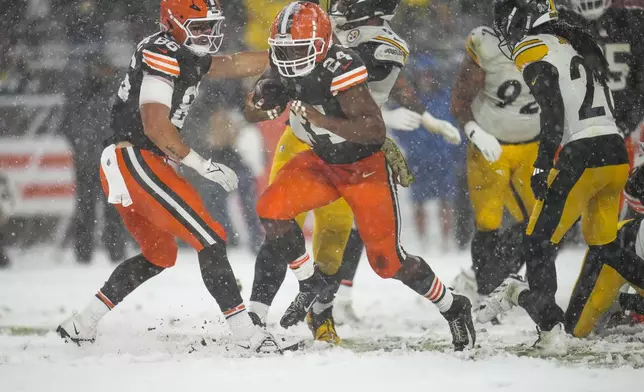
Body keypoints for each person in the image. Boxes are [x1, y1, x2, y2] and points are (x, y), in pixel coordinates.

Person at [56, 0, 284, 354]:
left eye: (212, 25)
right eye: (201, 26)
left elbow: (233, 64)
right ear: (173, 23)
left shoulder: (180, 51)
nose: (209, 34)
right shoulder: (161, 52)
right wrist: (202, 165)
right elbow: (155, 125)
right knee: (211, 237)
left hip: (135, 160)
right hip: (136, 157)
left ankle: (81, 323)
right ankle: (245, 335)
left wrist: (278, 55)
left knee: (159, 254)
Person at [245, 1, 474, 351]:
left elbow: (372, 128)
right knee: (271, 209)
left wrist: (323, 119)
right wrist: (264, 94)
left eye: (299, 49)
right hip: (319, 159)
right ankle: (309, 285)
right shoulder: (292, 52)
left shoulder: (354, 59)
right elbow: (259, 101)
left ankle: (453, 305)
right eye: (285, 50)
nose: (290, 57)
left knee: (387, 262)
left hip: (362, 167)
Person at [477, 0, 644, 355]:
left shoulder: (533, 46)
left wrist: (541, 161)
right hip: (614, 152)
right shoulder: (578, 43)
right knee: (608, 248)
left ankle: (551, 332)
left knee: (538, 244)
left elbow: (552, 107)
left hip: (581, 154)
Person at [449, 22, 542, 303]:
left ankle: (492, 281)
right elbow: (460, 98)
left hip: (534, 146)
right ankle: (489, 291)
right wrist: (473, 130)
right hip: (492, 145)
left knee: (542, 222)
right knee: (488, 222)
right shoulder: (485, 43)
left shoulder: (552, 40)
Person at [61, 56, 128, 264]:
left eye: (106, 69)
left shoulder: (118, 95)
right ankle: (84, 253)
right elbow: (68, 125)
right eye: (100, 69)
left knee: (113, 208)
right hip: (89, 161)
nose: (103, 73)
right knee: (86, 208)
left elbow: (129, 125)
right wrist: (81, 147)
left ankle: (115, 252)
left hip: (110, 162)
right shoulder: (81, 95)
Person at [393, 54, 460, 252]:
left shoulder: (445, 98)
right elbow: (399, 125)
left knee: (446, 201)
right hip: (417, 159)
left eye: (429, 74)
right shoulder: (409, 99)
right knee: (419, 202)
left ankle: (446, 241)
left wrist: (452, 151)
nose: (426, 78)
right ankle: (423, 242)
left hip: (443, 159)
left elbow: (455, 126)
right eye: (422, 75)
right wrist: (411, 143)